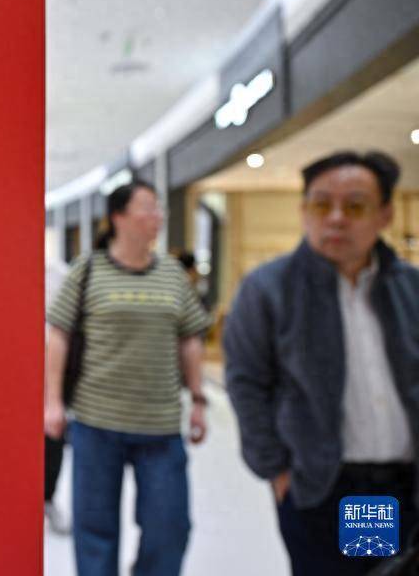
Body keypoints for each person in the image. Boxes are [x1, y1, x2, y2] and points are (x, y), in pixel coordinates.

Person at [224, 151, 419, 576]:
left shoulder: (407, 288)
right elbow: (246, 382)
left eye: (355, 206)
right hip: (324, 483)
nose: (336, 219)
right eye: (321, 204)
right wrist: (276, 470)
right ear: (303, 211)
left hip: (398, 483)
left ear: (385, 215)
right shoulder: (270, 289)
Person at [45, 180, 212, 576]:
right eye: (147, 208)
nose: (157, 217)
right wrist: (51, 402)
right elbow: (59, 335)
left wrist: (198, 399)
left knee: (169, 528)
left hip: (160, 425)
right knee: (95, 530)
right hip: (96, 423)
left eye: (159, 209)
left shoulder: (172, 274)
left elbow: (189, 339)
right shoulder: (88, 270)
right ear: (118, 217)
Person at [45, 258, 72, 534]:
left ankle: (48, 498)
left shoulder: (58, 272)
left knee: (52, 441)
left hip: (50, 372)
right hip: (12, 369)